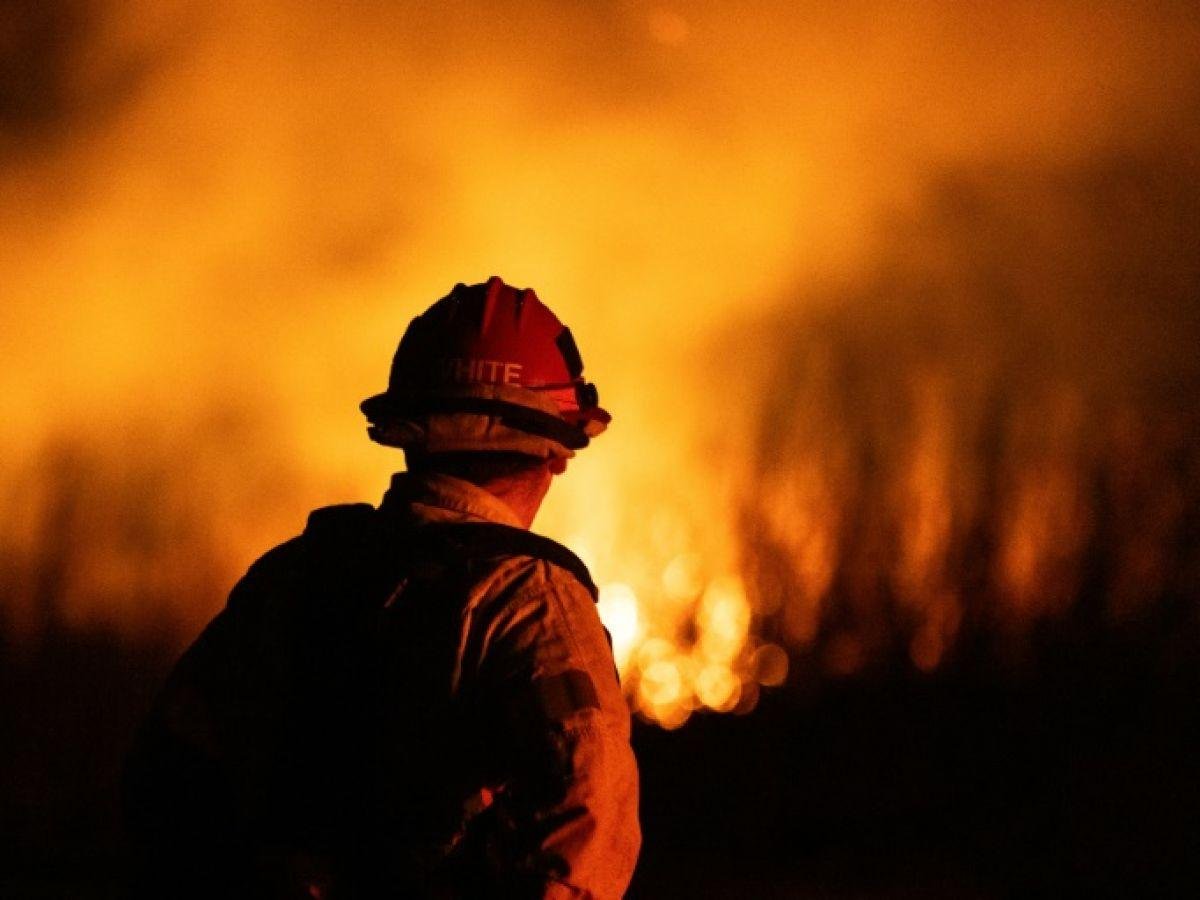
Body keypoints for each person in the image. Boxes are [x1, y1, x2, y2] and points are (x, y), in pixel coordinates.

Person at [123, 276, 641, 899]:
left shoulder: (291, 575)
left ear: (409, 430)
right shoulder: (532, 600)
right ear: (554, 451)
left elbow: (166, 770)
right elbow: (587, 817)